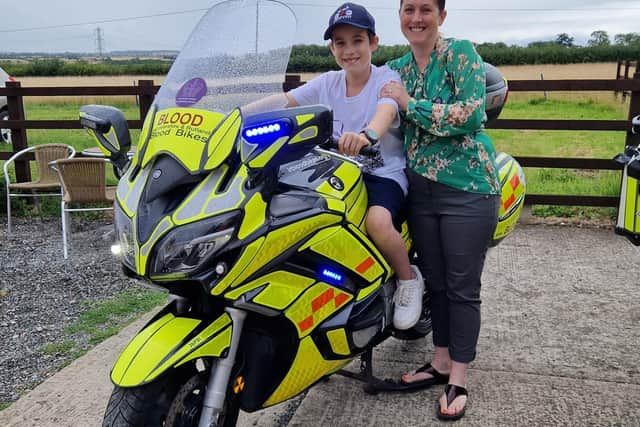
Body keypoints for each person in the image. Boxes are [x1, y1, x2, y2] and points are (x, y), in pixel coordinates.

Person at [243, 2, 424, 329]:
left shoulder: (385, 78)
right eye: (340, 43)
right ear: (331, 48)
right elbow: (286, 101)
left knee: (378, 223)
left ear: (373, 43)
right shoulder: (327, 82)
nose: (349, 50)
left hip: (380, 175)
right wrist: (238, 115)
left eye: (357, 40)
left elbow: (385, 110)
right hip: (335, 175)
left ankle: (408, 279)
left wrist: (368, 134)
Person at [381, 0, 501, 421]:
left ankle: (459, 378)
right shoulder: (397, 66)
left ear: (441, 16)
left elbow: (469, 114)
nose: (416, 18)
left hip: (468, 188)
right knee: (436, 282)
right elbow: (358, 84)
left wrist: (409, 104)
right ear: (399, 16)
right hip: (421, 189)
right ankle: (441, 360)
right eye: (408, 9)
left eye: (425, 9)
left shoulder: (460, 54)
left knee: (462, 285)